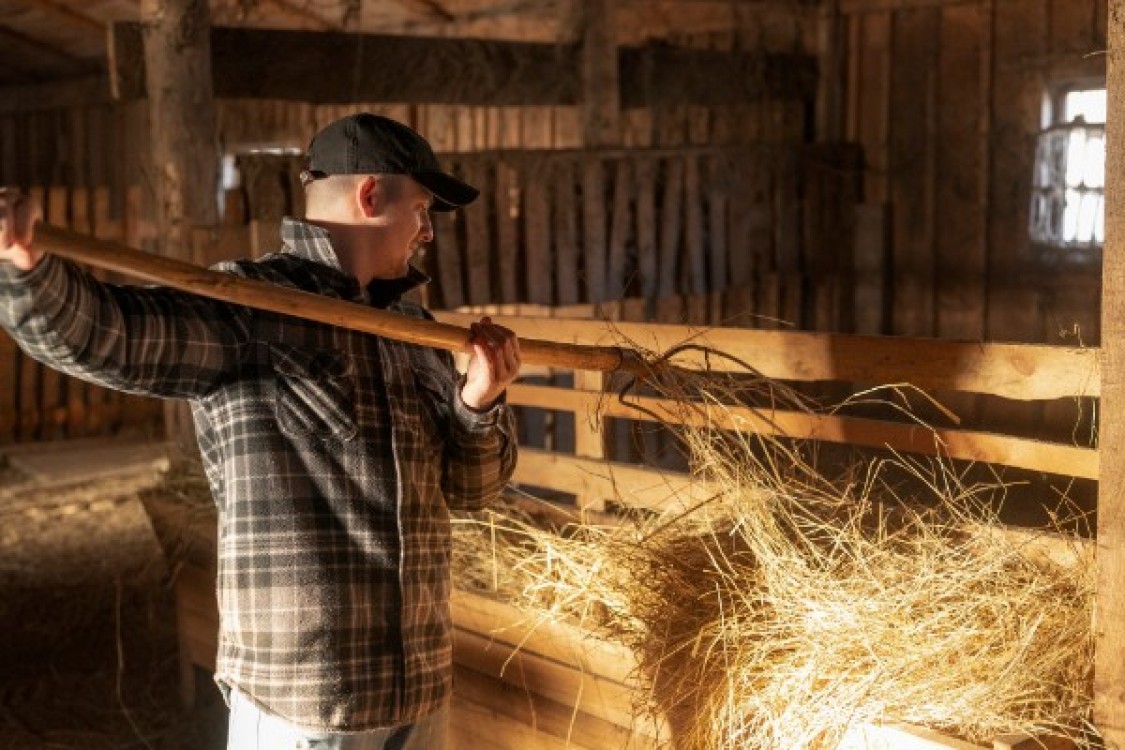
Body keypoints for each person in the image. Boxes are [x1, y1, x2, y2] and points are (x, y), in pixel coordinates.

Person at [0, 113, 520, 749]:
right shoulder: (248, 307)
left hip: (417, 691)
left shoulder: (414, 334)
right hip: (308, 701)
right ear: (371, 195)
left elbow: (471, 490)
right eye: (422, 208)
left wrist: (478, 400)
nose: (427, 231)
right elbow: (108, 335)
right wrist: (26, 267)